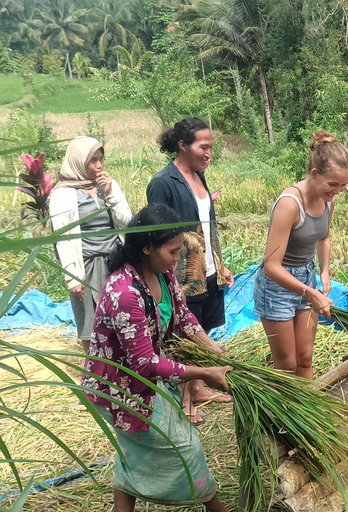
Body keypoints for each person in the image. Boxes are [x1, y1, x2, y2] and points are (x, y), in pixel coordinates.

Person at [81, 204, 232, 512]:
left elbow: (183, 316)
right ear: (147, 247)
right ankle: (216, 507)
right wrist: (204, 373)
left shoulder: (162, 275)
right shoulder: (124, 292)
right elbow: (144, 364)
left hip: (144, 378)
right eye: (173, 251)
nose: (179, 259)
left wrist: (213, 349)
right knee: (185, 447)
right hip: (119, 386)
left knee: (134, 450)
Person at [147, 117, 234, 424]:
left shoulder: (199, 176)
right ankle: (185, 399)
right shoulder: (163, 182)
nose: (209, 153)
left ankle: (196, 388)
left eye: (211, 147)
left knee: (204, 327)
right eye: (203, 147)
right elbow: (157, 234)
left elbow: (205, 226)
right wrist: (168, 275)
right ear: (182, 145)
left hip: (207, 269)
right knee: (184, 335)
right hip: (182, 273)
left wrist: (219, 264)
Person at [253, 130, 348, 379]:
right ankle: (284, 416)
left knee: (305, 358)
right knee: (287, 363)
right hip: (277, 285)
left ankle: (311, 411)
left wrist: (325, 272)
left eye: (343, 185)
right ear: (314, 174)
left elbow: (324, 236)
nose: (338, 191)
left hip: (306, 278)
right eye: (333, 184)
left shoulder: (328, 198)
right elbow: (271, 266)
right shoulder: (289, 204)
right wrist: (311, 293)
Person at [49, 136, 132, 354]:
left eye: (101, 159)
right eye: (92, 160)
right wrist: (73, 278)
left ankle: (122, 369)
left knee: (121, 319)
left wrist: (110, 194)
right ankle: (95, 373)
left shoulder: (109, 186)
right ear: (78, 162)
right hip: (85, 266)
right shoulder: (62, 194)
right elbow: (63, 238)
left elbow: (126, 221)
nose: (99, 165)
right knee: (90, 324)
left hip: (115, 262)